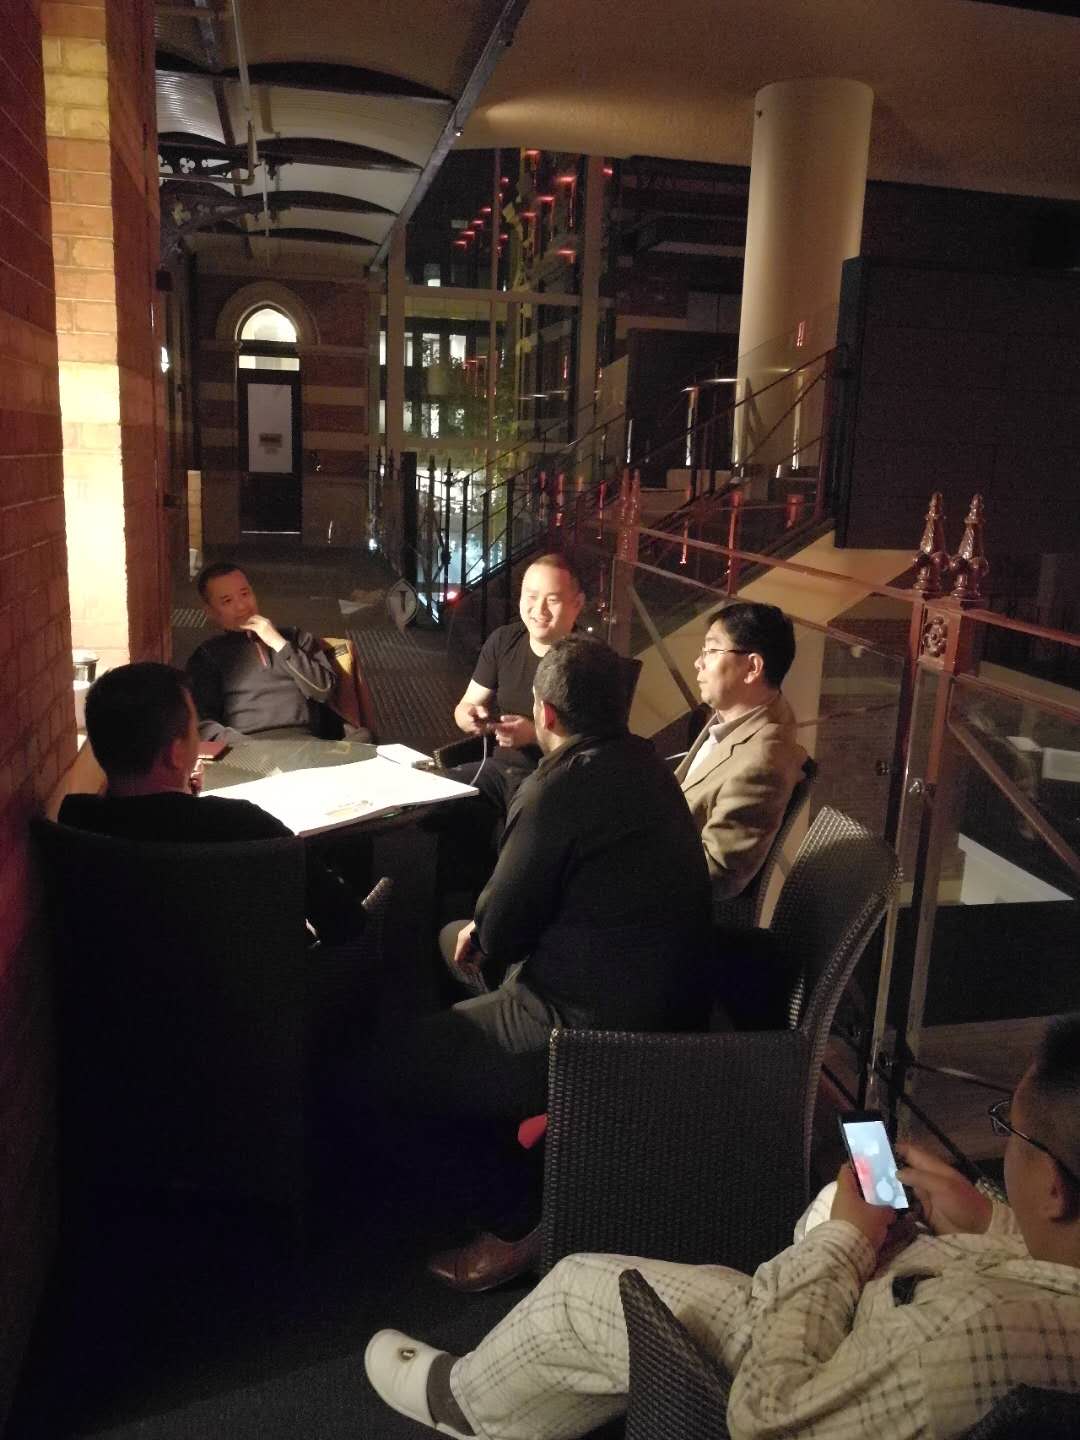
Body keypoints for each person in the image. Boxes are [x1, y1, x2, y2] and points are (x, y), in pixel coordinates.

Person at [365, 1014, 1080, 1440]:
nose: (1005, 1145)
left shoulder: (966, 1342)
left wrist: (848, 1243)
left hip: (822, 1367)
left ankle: (467, 1406)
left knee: (581, 1290)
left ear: (1053, 1185)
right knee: (829, 1210)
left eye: (1009, 1130)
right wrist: (991, 1222)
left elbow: (769, 1420)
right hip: (911, 1302)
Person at [366, 636, 711, 1285]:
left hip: (585, 1020)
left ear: (544, 713)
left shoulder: (558, 788)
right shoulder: (647, 765)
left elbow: (501, 931)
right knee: (452, 944)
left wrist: (484, 931)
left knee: (388, 1067)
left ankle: (516, 1217)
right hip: (662, 989)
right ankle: (495, 1115)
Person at [59, 662, 367, 947]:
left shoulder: (76, 818)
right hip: (261, 984)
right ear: (176, 753)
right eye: (194, 731)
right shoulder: (246, 825)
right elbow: (345, 921)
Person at [676, 601, 807, 915]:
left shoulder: (763, 761)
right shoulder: (734, 717)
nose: (698, 662)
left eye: (711, 650)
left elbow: (717, 874)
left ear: (752, 668)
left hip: (675, 917)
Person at [448, 554, 585, 817]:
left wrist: (534, 735)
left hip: (555, 779)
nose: (539, 610)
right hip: (499, 771)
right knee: (441, 798)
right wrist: (469, 716)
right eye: (531, 597)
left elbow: (595, 749)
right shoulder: (504, 640)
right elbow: (466, 705)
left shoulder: (589, 659)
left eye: (552, 600)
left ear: (577, 604)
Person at [186, 561, 337, 743]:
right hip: (246, 747)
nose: (242, 606)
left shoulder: (295, 638)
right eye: (227, 601)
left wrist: (279, 643)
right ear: (210, 612)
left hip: (305, 743)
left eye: (245, 594)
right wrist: (247, 747)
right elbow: (203, 723)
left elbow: (323, 690)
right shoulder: (208, 655)